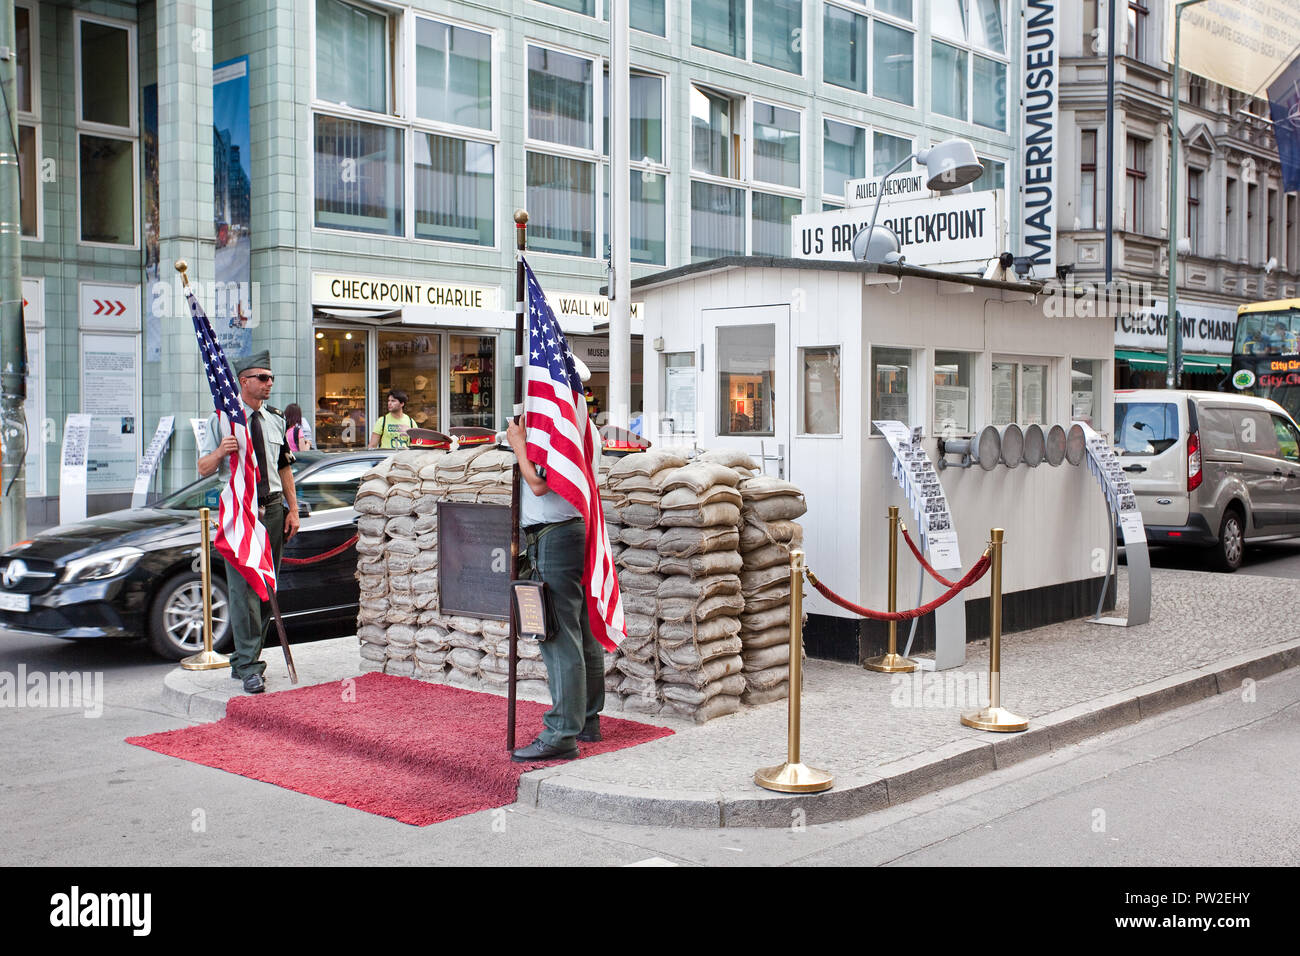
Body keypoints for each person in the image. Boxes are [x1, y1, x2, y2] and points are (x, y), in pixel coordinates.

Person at [196, 350, 300, 694]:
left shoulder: (274, 418)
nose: (269, 384)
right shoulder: (222, 420)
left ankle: (246, 658)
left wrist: (293, 508)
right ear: (244, 381)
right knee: (243, 592)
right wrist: (220, 452)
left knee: (267, 588)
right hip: (242, 513)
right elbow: (203, 468)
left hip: (272, 511)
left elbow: (284, 466)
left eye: (271, 378)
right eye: (263, 378)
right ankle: (248, 665)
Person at [506, 417, 605, 762]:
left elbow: (538, 484)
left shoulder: (556, 421)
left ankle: (563, 731)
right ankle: (587, 719)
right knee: (581, 631)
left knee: (560, 635)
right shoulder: (581, 424)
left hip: (554, 532)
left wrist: (518, 443)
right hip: (574, 528)